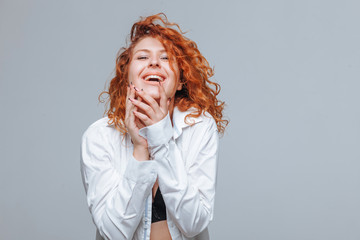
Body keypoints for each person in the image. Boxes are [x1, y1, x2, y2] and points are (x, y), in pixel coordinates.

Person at [80, 13, 228, 240]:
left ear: (179, 81)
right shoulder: (99, 136)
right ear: (127, 76)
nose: (154, 62)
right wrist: (140, 149)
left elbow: (194, 223)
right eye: (142, 57)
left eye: (166, 58)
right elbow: (113, 234)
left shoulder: (199, 127)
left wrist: (160, 137)